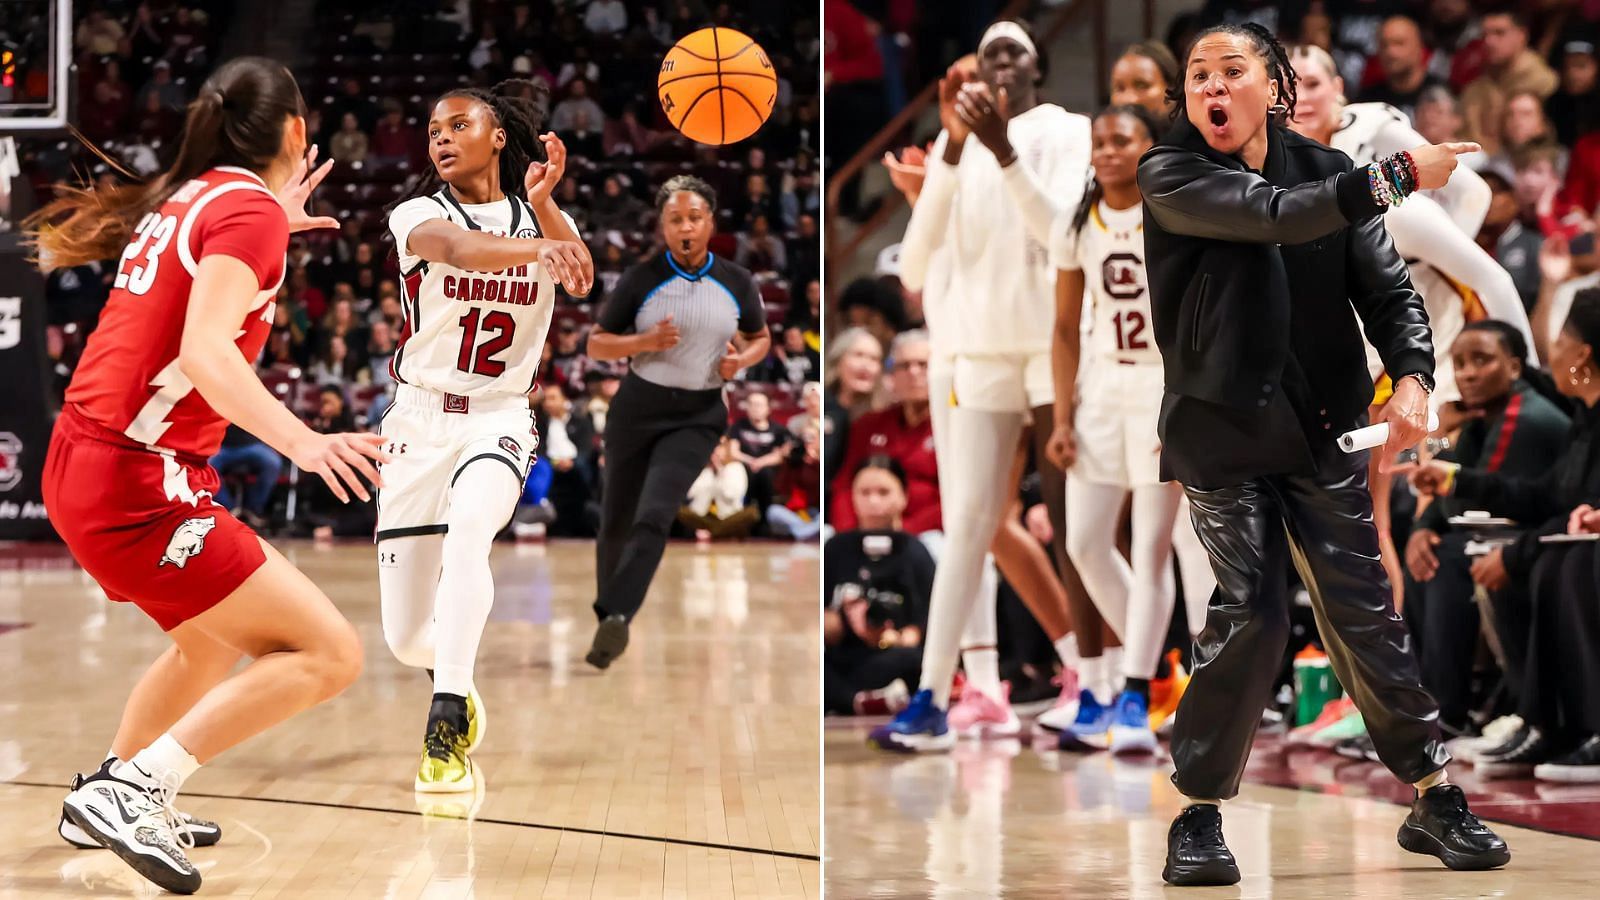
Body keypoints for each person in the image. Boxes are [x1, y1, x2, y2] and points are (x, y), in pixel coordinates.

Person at [1138, 22, 1508, 886]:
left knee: (1362, 613)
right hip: (1221, 430)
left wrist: (1415, 376)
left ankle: (1433, 795)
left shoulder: (1329, 175)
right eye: (1198, 75)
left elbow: (1387, 294)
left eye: (1231, 70)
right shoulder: (1174, 172)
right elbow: (1271, 217)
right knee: (1255, 613)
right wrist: (1400, 175)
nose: (1210, 87)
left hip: (1323, 426)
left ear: (1273, 89)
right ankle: (1197, 814)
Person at [27, 57, 379, 894]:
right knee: (329, 653)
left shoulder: (200, 198)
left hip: (83, 456)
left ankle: (105, 789)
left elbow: (194, 293)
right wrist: (306, 442)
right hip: (136, 478)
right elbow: (204, 350)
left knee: (208, 642)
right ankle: (136, 789)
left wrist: (271, 225)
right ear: (297, 132)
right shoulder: (245, 211)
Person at [870, 18, 1094, 752]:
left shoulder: (1066, 130)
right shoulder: (950, 144)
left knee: (1080, 527)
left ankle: (1103, 686)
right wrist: (956, 152)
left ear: (1039, 69)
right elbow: (912, 266)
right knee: (969, 522)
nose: (997, 63)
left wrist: (999, 149)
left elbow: (1061, 234)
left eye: (1014, 53)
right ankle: (935, 697)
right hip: (975, 352)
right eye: (987, 52)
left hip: (1053, 345)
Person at [379, 78, 594, 793]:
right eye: (434, 128)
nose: (440, 138)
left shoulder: (538, 216)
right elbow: (463, 251)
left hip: (499, 415)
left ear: (498, 136)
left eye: (458, 124)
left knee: (472, 533)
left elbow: (583, 278)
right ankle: (454, 678)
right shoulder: (416, 213)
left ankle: (443, 725)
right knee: (408, 639)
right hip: (418, 420)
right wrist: (534, 249)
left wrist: (543, 207)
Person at [1289, 44, 1533, 606]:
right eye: (1292, 85)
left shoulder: (1382, 155)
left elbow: (1470, 195)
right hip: (1363, 354)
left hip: (1426, 346)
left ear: (1341, 91)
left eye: (1314, 83)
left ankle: (1438, 668)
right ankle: (1385, 673)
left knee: (1431, 504)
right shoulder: (1294, 167)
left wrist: (1426, 262)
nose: (1302, 97)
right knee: (1372, 527)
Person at [1047, 105, 1216, 756]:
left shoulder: (1175, 211)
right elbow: (1063, 328)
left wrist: (1184, 402)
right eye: (1100, 140)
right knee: (1086, 541)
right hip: (1100, 386)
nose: (1108, 150)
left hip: (1158, 384)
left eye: (1123, 140)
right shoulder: (1079, 219)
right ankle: (1154, 664)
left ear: (1150, 147)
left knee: (1152, 548)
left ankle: (1132, 688)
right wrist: (1062, 416)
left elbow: (1198, 316)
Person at [1406, 290, 1600, 778]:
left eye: (1558, 340)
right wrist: (1446, 485)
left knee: (1554, 561)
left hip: (1562, 546)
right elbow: (1540, 497)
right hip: (1551, 537)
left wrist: (1513, 556)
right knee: (1479, 553)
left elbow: (1553, 509)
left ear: (1580, 355)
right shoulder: (1580, 418)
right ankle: (1541, 721)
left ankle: (1472, 714)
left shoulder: (1530, 416)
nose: (1467, 374)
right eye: (1460, 363)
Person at [583, 175, 771, 668]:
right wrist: (641, 343)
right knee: (616, 519)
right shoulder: (641, 278)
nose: (685, 227)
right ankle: (609, 614)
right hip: (637, 408)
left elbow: (761, 337)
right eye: (675, 219)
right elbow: (596, 343)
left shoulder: (737, 281)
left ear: (711, 222)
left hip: (698, 414)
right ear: (662, 226)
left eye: (694, 218)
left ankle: (618, 615)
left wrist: (742, 361)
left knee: (655, 513)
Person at [824, 457, 933, 717]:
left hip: (896, 655)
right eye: (864, 493)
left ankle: (860, 701)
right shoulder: (836, 548)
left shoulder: (915, 551)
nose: (873, 501)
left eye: (883, 492)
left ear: (904, 496)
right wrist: (833, 623)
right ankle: (858, 701)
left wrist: (897, 637)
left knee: (918, 661)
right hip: (846, 658)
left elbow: (929, 619)